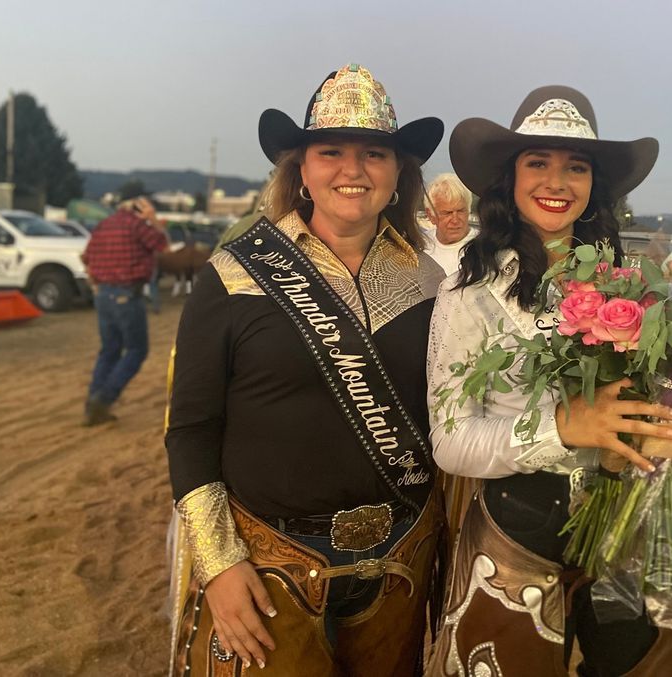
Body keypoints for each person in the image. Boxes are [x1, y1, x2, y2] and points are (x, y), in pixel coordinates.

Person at [165, 63, 446, 676]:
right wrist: (218, 564)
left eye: (375, 152)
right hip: (270, 567)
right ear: (301, 169)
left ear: (399, 173)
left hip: (401, 561)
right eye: (331, 151)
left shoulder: (432, 284)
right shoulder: (233, 277)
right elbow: (190, 430)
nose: (353, 169)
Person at [425, 87, 672, 676]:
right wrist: (563, 428)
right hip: (515, 535)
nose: (558, 181)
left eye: (576, 166)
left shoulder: (628, 283)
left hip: (619, 521)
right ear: (510, 178)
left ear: (595, 185)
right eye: (538, 162)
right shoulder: (468, 294)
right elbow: (449, 442)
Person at [81, 196, 167, 426]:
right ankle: (104, 398)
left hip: (103, 295)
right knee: (137, 350)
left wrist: (97, 283)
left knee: (109, 350)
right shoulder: (137, 225)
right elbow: (163, 245)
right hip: (127, 295)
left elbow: (86, 257)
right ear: (139, 211)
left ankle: (93, 403)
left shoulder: (103, 225)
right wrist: (153, 219)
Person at [422, 173, 477, 276]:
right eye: (447, 213)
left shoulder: (484, 248)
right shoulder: (420, 247)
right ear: (430, 215)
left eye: (460, 211)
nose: (455, 220)